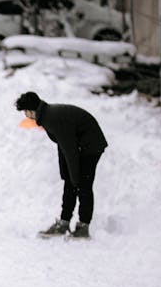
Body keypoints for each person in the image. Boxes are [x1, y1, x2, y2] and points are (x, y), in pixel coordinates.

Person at [15, 91, 108, 239]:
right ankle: (64, 223)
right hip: (79, 145)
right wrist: (66, 172)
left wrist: (74, 177)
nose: (25, 115)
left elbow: (69, 149)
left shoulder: (51, 118)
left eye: (25, 112)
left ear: (31, 110)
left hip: (91, 145)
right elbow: (63, 144)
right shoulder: (46, 115)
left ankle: (83, 227)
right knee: (70, 182)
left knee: (83, 184)